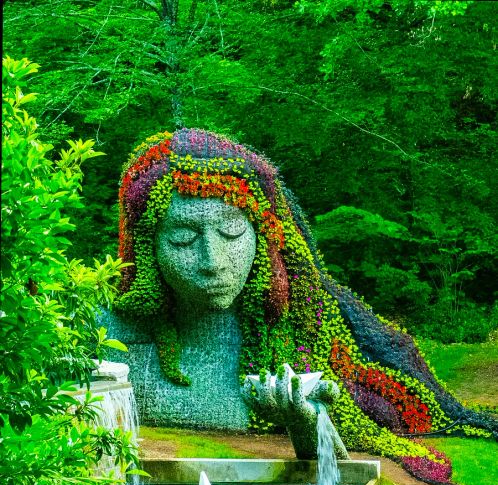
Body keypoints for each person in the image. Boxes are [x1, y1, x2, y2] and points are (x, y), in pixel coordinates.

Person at [107, 128, 495, 464]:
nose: (213, 261)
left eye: (231, 234)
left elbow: (335, 470)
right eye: (183, 238)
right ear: (145, 247)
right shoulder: (106, 336)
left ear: (265, 238)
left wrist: (305, 423)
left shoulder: (302, 327)